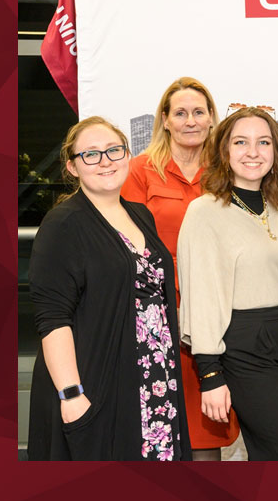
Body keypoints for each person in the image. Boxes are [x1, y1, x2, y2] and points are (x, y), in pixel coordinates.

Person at [27, 116, 191, 460]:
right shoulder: (63, 224)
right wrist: (71, 394)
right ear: (72, 167)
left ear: (127, 156)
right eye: (91, 154)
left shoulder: (140, 214)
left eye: (114, 150)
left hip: (153, 381)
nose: (105, 161)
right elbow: (52, 318)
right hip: (98, 384)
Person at [177, 107, 278, 461]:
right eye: (241, 142)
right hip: (244, 350)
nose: (252, 152)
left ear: (276, 152)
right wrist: (210, 374)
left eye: (263, 142)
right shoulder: (204, 211)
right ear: (224, 151)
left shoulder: (275, 205)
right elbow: (202, 297)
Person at [121, 77, 239, 460]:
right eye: (181, 113)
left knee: (208, 427)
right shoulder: (139, 171)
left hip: (215, 313)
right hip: (157, 316)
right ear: (166, 120)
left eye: (199, 112)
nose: (191, 120)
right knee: (157, 427)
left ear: (211, 120)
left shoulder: (227, 172)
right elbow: (127, 244)